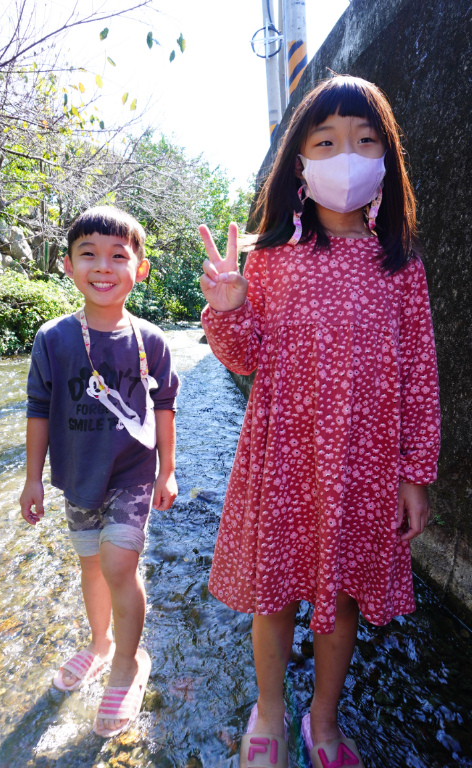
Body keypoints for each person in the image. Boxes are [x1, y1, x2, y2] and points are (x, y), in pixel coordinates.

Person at [198, 75, 439, 768]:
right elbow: (242, 358)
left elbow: (421, 374)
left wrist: (414, 474)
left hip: (366, 464)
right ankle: (268, 710)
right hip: (284, 455)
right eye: (326, 141)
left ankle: (322, 720)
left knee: (344, 603)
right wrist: (229, 303)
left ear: (387, 163)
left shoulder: (402, 266)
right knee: (273, 595)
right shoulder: (271, 257)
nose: (347, 156)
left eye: (366, 142)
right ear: (299, 163)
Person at [18, 205, 179, 738]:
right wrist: (33, 477)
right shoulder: (52, 338)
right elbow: (38, 410)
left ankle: (127, 664)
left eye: (118, 255)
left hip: (132, 473)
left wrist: (167, 471)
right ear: (67, 265)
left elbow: (164, 410)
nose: (103, 266)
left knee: (117, 565)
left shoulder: (151, 341)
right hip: (76, 475)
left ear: (142, 269)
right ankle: (100, 642)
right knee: (91, 568)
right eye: (88, 254)